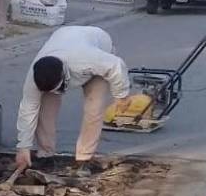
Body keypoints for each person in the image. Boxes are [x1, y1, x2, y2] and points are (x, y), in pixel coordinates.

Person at [15, 26, 133, 171]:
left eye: (58, 88)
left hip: (96, 44)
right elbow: (27, 111)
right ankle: (46, 155)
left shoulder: (87, 59)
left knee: (94, 108)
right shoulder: (34, 78)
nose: (56, 93)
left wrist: (121, 96)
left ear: (64, 75)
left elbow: (116, 65)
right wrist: (23, 147)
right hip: (63, 37)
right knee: (44, 110)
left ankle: (84, 158)